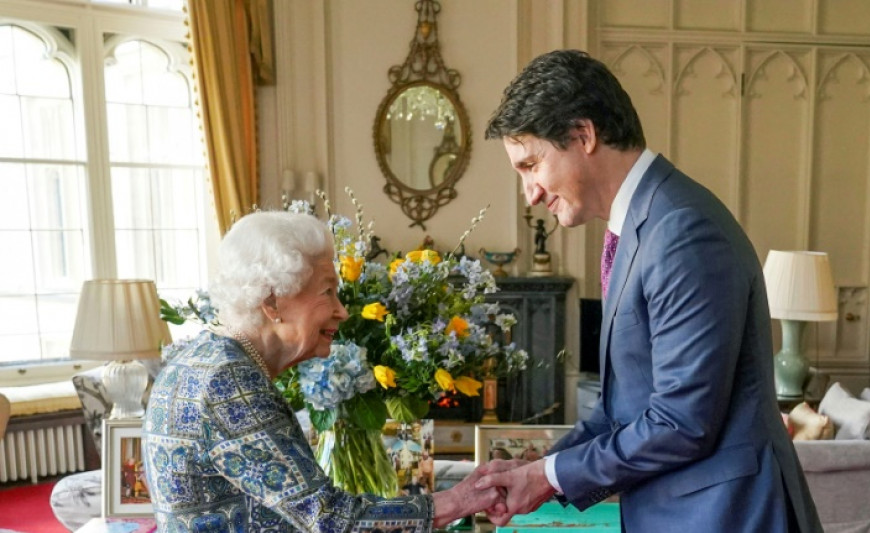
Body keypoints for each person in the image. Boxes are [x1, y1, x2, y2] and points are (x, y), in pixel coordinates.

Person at [476, 49, 822, 532]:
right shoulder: (642, 223)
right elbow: (622, 410)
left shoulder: (682, 229)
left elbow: (682, 423)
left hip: (727, 516)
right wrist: (538, 470)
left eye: (531, 165)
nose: (530, 194)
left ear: (583, 135)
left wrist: (548, 477)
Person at [142, 211, 503, 532]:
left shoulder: (201, 360)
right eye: (328, 292)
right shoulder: (229, 383)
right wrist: (457, 501)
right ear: (272, 302)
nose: (342, 311)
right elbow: (329, 519)